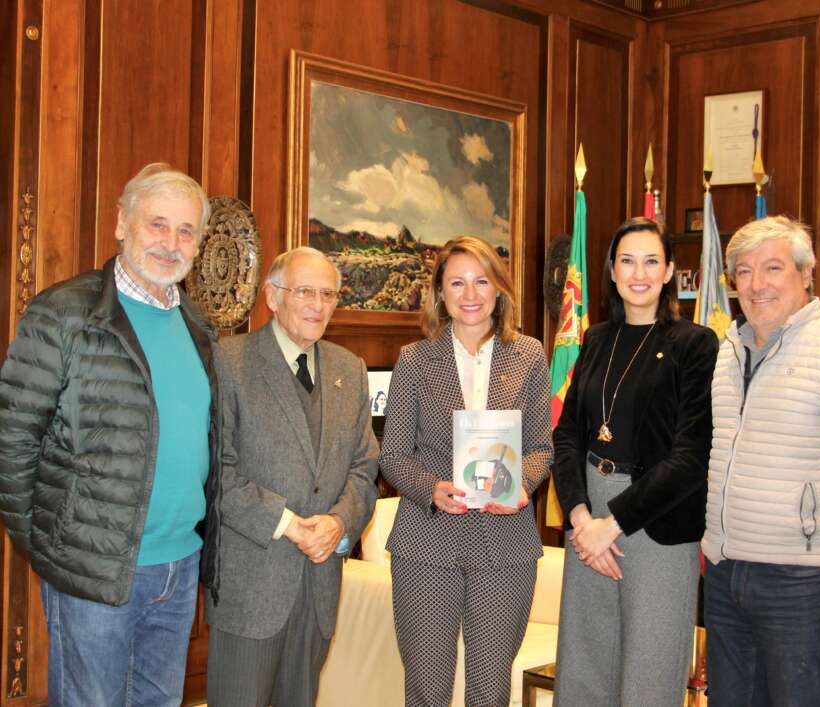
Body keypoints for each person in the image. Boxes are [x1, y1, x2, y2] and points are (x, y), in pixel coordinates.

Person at [0, 163, 220, 706]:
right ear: (122, 223)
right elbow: (12, 444)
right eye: (158, 225)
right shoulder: (64, 314)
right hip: (92, 575)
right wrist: (55, 548)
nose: (171, 244)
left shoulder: (200, 326)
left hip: (179, 567)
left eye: (186, 231)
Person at [701, 215, 820, 706]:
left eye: (772, 268)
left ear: (806, 275)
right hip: (727, 572)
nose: (757, 284)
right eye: (743, 272)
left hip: (806, 580)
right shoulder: (727, 352)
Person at [379, 236, 552, 706]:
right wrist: (429, 489)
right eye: (457, 282)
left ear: (499, 290)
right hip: (428, 543)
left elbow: (541, 447)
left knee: (490, 691)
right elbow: (393, 454)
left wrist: (523, 487)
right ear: (440, 292)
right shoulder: (415, 360)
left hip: (505, 546)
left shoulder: (530, 355)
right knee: (427, 690)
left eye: (481, 281)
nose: (470, 294)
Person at [552, 216, 717, 706]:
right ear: (612, 270)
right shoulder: (596, 338)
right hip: (589, 517)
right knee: (585, 669)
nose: (638, 273)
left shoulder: (695, 345)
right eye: (627, 261)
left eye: (651, 261)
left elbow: (691, 457)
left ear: (669, 271)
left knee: (648, 677)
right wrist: (582, 518)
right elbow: (567, 435)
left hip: (655, 522)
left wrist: (613, 524)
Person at [205, 246, 379, 706]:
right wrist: (289, 525)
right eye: (304, 291)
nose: (317, 305)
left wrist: (340, 523)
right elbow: (216, 472)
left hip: (320, 585)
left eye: (328, 294)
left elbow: (365, 466)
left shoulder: (350, 368)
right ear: (272, 297)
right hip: (252, 589)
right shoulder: (228, 361)